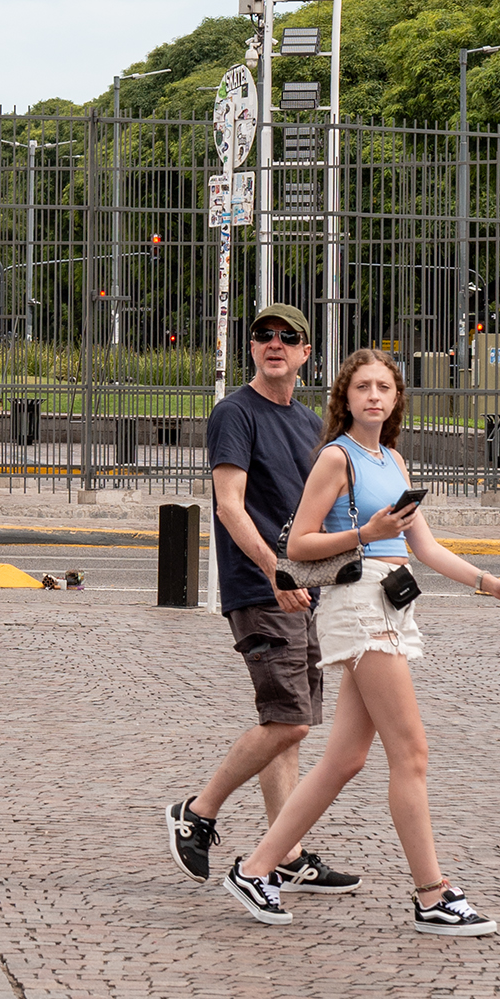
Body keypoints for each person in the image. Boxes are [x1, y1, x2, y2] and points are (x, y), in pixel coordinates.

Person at [225, 347, 500, 938]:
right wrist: (366, 531)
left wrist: (491, 584)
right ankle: (432, 894)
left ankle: (257, 867)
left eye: (383, 387)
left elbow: (426, 548)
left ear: (395, 399)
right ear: (346, 397)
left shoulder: (393, 460)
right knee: (410, 753)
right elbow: (299, 547)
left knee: (345, 759)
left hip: (391, 602)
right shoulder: (336, 459)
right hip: (358, 605)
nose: (373, 396)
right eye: (362, 386)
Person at [164, 301, 356, 896]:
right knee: (289, 722)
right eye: (263, 335)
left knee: (287, 724)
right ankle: (197, 811)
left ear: (304, 353)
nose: (274, 343)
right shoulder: (235, 413)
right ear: (253, 347)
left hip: (303, 590)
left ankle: (285, 852)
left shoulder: (306, 423)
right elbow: (229, 505)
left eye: (287, 337)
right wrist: (278, 572)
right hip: (263, 586)